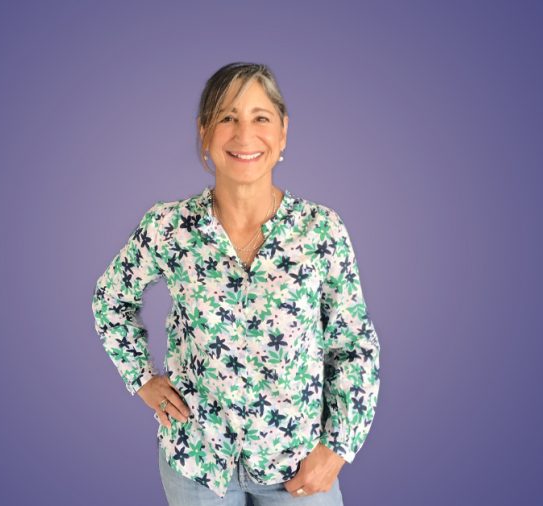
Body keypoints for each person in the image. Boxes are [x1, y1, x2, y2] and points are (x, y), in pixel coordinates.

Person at [92, 62, 380, 505]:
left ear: (283, 132)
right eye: (227, 117)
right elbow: (111, 299)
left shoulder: (320, 230)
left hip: (299, 465)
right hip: (197, 465)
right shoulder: (169, 227)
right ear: (204, 133)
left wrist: (338, 446)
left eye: (260, 118)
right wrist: (142, 379)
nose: (245, 134)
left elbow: (353, 344)